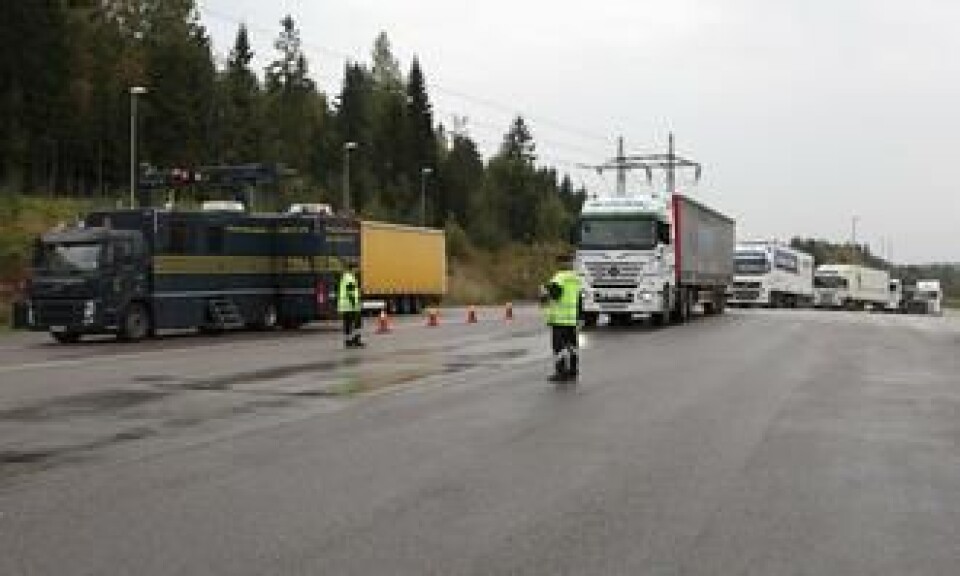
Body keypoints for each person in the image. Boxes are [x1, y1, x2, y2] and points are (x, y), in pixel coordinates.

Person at [542, 251, 582, 381]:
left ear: (559, 263)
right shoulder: (576, 278)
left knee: (558, 347)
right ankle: (573, 370)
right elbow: (579, 298)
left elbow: (555, 296)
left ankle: (561, 372)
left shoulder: (558, 278)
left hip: (559, 319)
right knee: (572, 346)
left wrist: (545, 290)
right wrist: (580, 317)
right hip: (572, 319)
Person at [338, 262, 364, 348]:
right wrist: (355, 305)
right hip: (350, 305)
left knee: (347, 324)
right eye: (357, 268)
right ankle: (356, 340)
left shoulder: (346, 277)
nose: (358, 270)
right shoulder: (350, 278)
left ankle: (348, 341)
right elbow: (350, 292)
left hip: (345, 305)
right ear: (352, 269)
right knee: (358, 323)